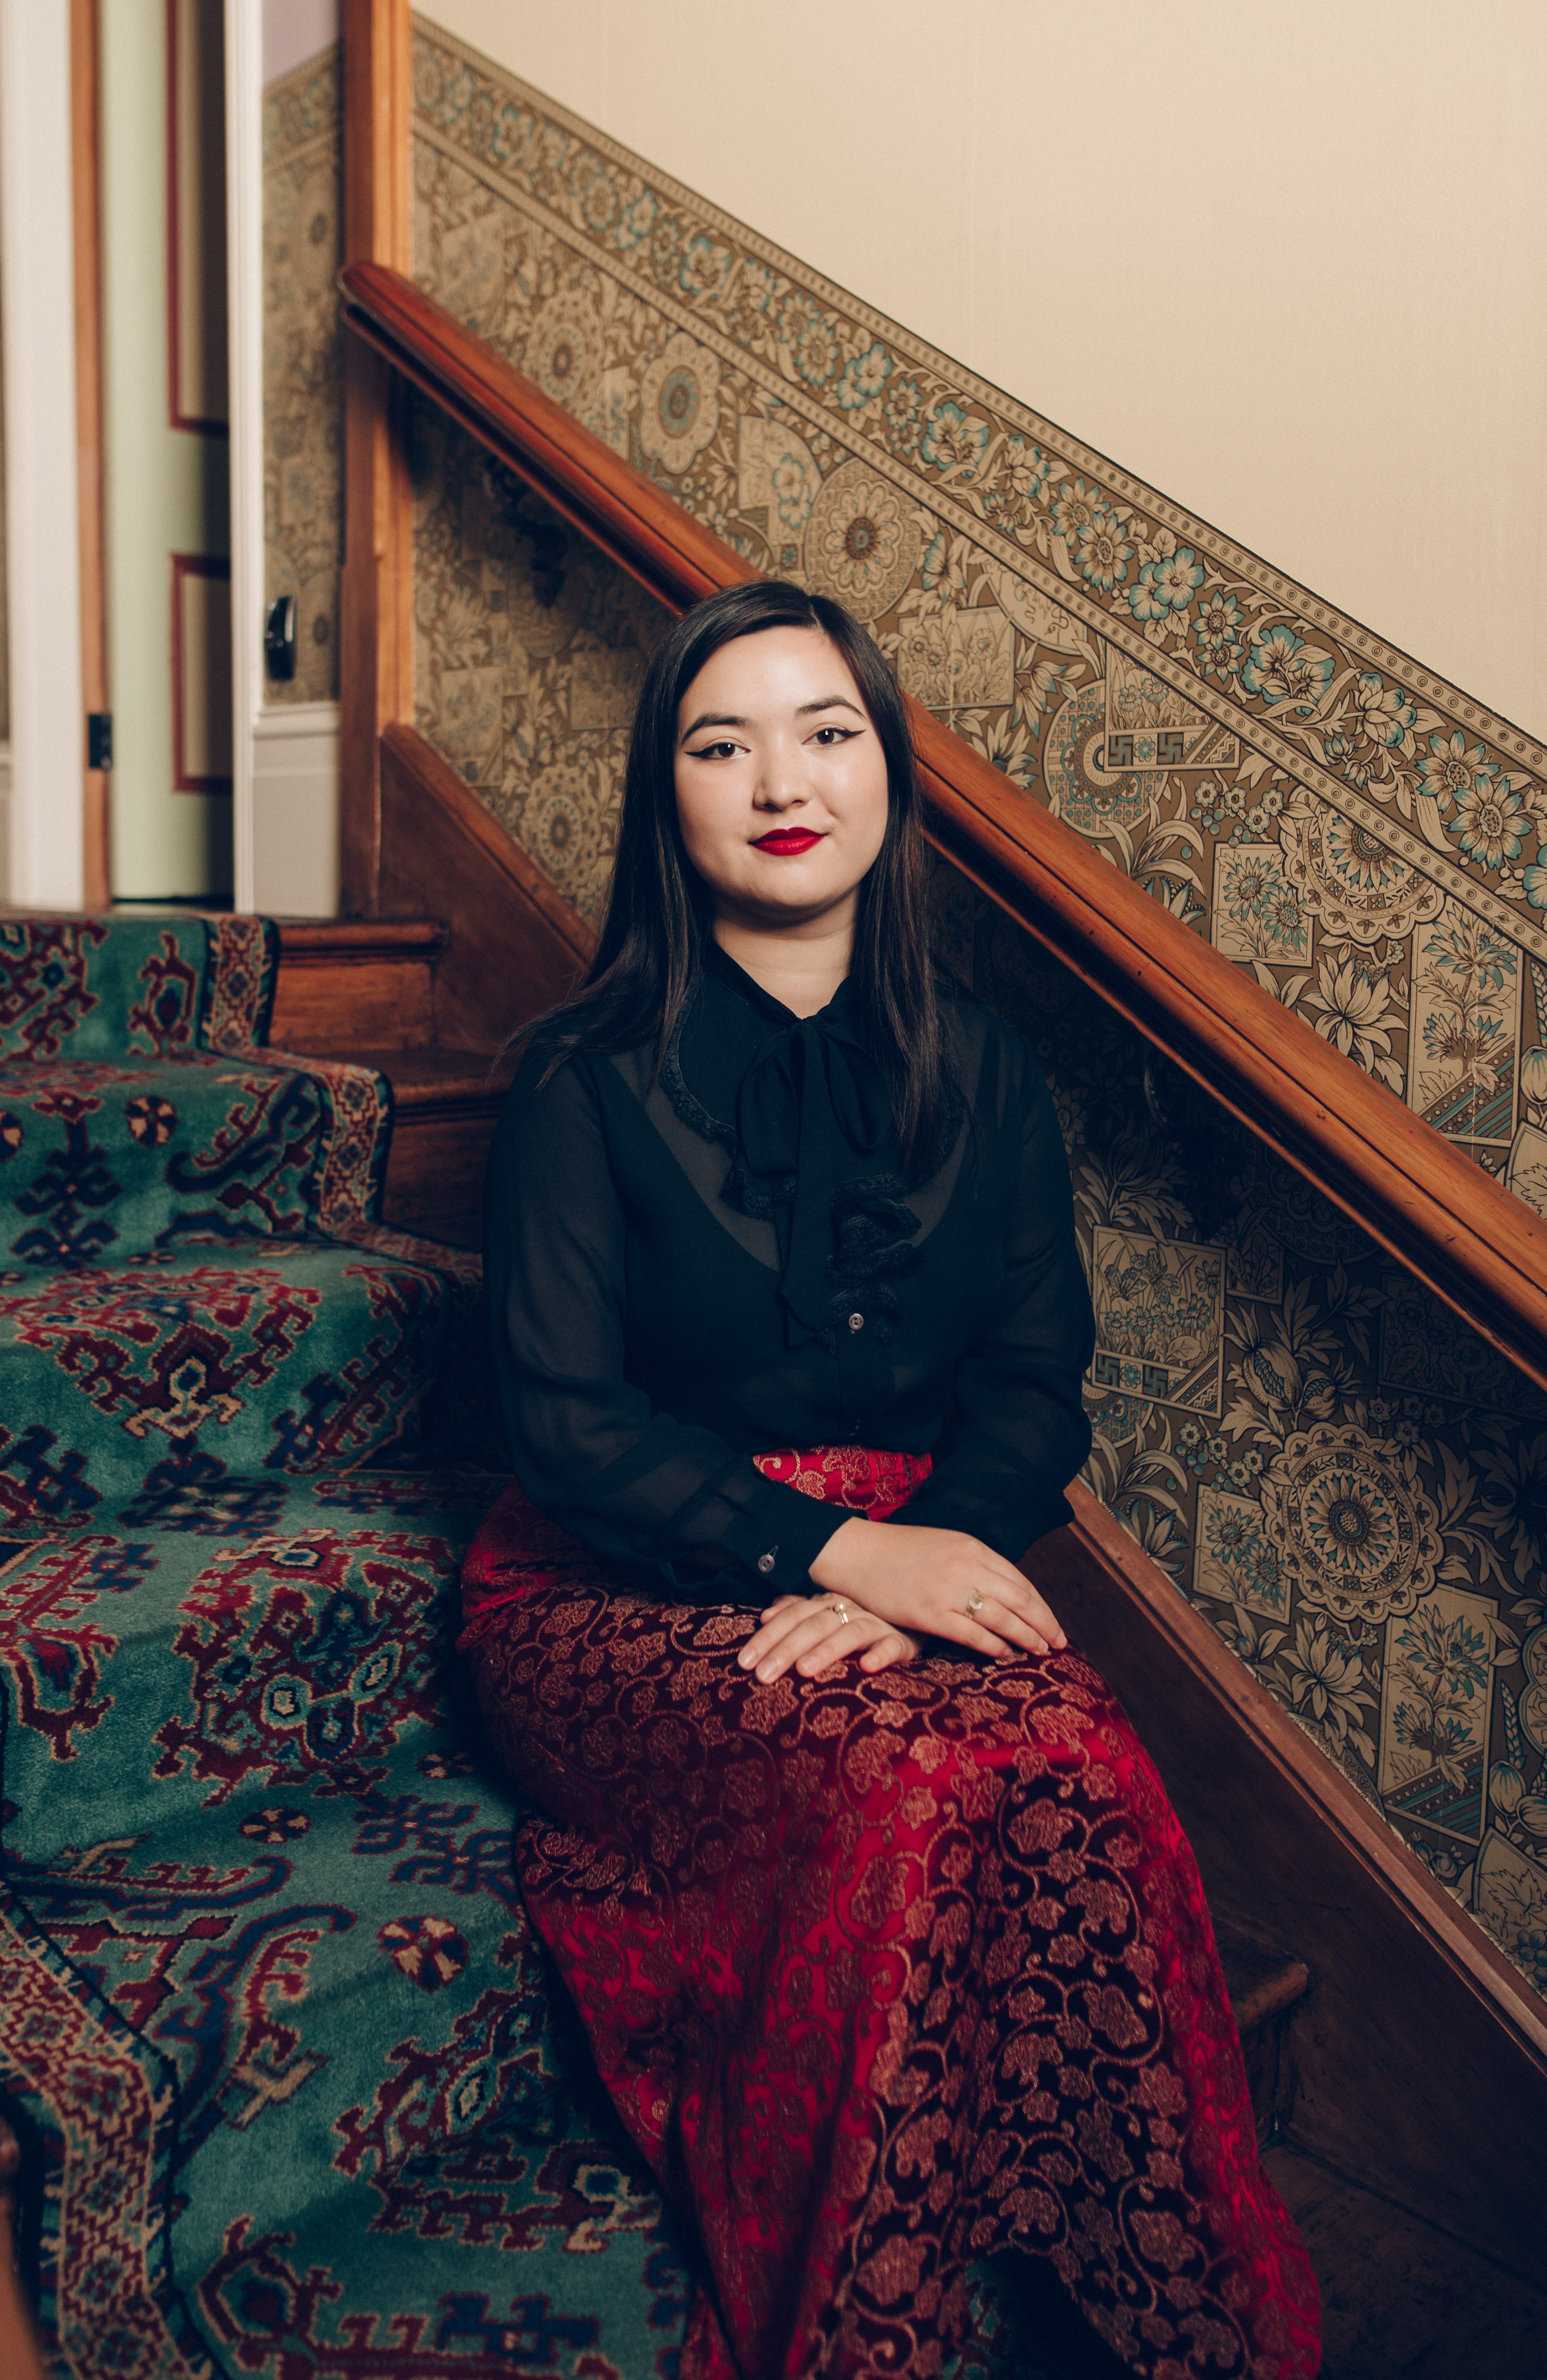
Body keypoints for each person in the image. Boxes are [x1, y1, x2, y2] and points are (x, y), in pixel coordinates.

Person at [459, 580, 1320, 2380]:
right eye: (723, 742)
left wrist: (925, 1553)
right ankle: (868, 2339)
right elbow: (566, 1421)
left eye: (826, 730)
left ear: (887, 775)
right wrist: (837, 1551)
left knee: (1079, 1769)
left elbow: (1030, 1379)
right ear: (665, 796)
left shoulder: (988, 1073)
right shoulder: (577, 1079)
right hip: (613, 1575)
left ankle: (1175, 2333)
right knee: (914, 1789)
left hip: (916, 1543)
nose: (783, 776)